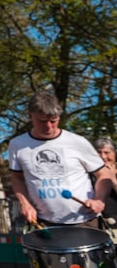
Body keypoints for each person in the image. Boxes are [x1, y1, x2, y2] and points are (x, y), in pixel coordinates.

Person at [8, 92, 115, 229]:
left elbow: (104, 174)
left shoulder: (77, 142)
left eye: (53, 121)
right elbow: (17, 178)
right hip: (44, 221)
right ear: (30, 116)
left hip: (85, 221)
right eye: (42, 121)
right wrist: (25, 204)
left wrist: (99, 200)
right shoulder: (17, 144)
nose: (48, 127)